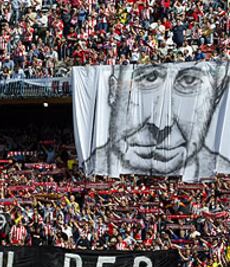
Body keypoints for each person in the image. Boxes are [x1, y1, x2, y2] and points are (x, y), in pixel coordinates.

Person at [86, 61, 230, 180]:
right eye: (149, 78)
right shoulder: (90, 164)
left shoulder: (221, 168)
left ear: (215, 95)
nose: (161, 125)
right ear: (114, 89)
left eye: (189, 81)